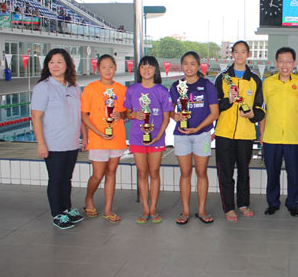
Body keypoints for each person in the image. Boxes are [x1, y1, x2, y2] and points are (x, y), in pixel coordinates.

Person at [30, 48, 87, 230]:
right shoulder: (43, 87)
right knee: (55, 178)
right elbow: (36, 117)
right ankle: (57, 214)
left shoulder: (74, 87)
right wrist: (41, 144)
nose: (55, 66)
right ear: (47, 65)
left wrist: (84, 136)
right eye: (51, 62)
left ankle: (66, 208)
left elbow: (79, 115)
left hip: (71, 142)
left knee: (67, 178)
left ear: (67, 65)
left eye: (59, 62)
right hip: (53, 143)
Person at [214, 41, 265, 222]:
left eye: (243, 52)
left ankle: (243, 203)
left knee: (244, 171)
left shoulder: (255, 79)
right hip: (224, 133)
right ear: (232, 55)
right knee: (226, 172)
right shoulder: (222, 78)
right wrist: (227, 100)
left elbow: (260, 108)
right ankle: (228, 207)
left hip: (245, 133)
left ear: (248, 54)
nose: (240, 55)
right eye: (236, 52)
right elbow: (214, 107)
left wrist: (253, 114)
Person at [170, 52, 219, 225]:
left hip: (202, 135)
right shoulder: (176, 86)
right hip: (181, 136)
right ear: (181, 66)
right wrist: (174, 116)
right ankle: (185, 211)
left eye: (192, 63)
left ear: (199, 66)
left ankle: (202, 210)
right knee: (185, 173)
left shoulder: (207, 85)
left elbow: (215, 113)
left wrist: (198, 128)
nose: (189, 67)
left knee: (201, 173)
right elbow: (170, 109)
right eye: (185, 63)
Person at [124, 56, 173, 224]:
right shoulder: (132, 90)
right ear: (139, 70)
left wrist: (158, 136)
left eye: (150, 67)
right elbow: (126, 113)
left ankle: (153, 208)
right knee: (143, 173)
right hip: (137, 138)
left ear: (155, 70)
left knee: (154, 172)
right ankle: (145, 208)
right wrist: (132, 115)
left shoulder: (161, 91)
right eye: (143, 67)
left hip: (156, 139)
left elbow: (167, 117)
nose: (146, 70)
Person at [81, 54, 127, 223]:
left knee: (111, 172)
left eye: (111, 67)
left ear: (116, 68)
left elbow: (127, 113)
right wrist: (95, 133)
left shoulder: (122, 90)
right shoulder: (91, 89)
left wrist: (120, 114)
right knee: (98, 174)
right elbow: (84, 115)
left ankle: (108, 209)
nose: (107, 70)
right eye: (103, 67)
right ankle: (89, 198)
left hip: (116, 137)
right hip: (98, 137)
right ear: (98, 69)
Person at [260, 47, 298, 216]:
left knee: (294, 173)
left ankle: (292, 203)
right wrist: (262, 135)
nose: (285, 64)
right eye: (281, 61)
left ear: (294, 63)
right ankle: (273, 202)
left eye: (288, 61)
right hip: (272, 136)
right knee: (272, 172)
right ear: (276, 63)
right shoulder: (268, 83)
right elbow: (262, 111)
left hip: (294, 136)